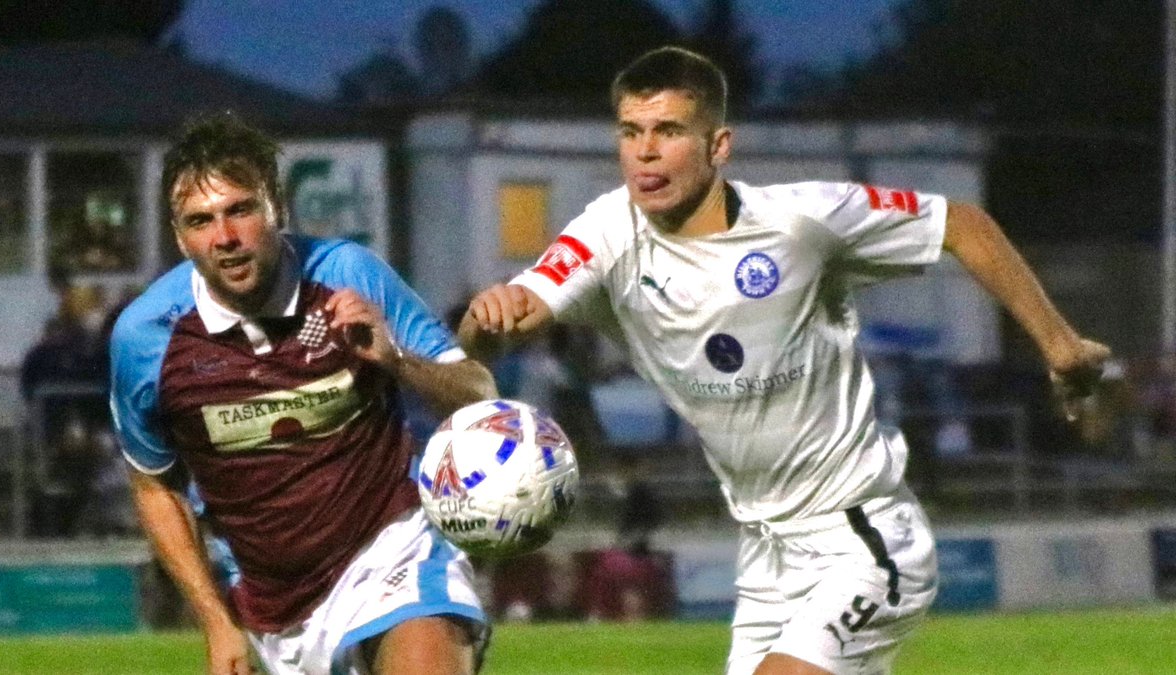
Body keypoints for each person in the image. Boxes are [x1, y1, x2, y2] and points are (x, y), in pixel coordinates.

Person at [460, 46, 1111, 675]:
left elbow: (962, 224)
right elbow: (514, 312)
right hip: (767, 555)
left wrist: (1060, 345)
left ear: (719, 146)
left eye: (668, 130)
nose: (645, 150)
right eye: (631, 131)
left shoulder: (802, 223)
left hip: (862, 532)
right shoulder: (608, 234)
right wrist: (486, 318)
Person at [110, 112, 497, 675]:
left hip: (393, 551)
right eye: (201, 220)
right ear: (179, 236)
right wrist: (216, 622)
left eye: (241, 210)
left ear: (277, 209)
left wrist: (395, 360)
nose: (225, 238)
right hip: (274, 608)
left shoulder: (347, 273)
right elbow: (153, 485)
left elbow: (479, 394)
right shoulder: (145, 337)